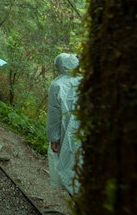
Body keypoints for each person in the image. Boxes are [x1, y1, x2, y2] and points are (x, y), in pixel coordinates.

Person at [46, 53, 82, 197]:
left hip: (66, 131)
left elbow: (54, 115)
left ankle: (74, 197)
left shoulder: (57, 85)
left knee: (68, 165)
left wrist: (54, 138)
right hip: (83, 131)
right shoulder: (83, 80)